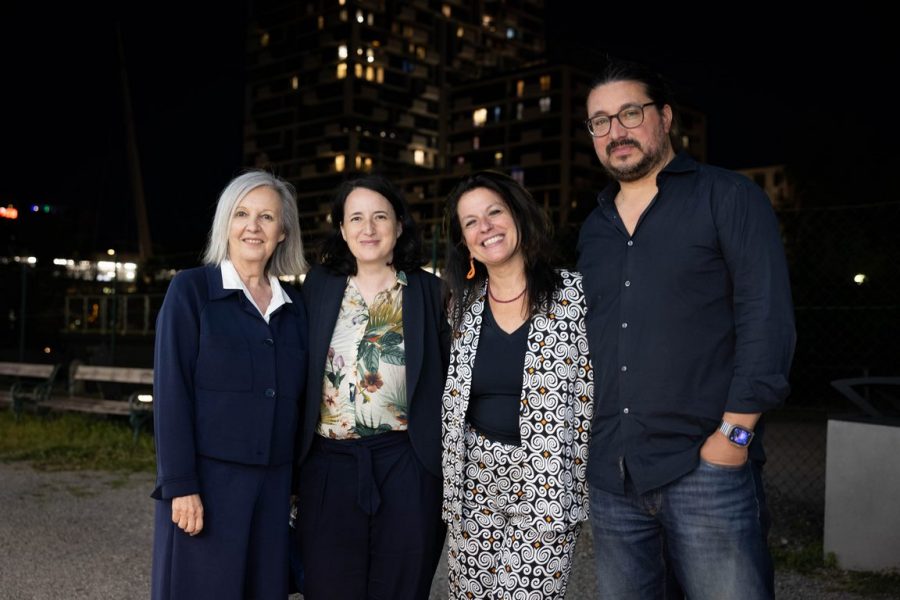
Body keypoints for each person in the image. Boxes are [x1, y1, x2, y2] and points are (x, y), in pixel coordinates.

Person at [577, 57, 796, 599]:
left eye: (630, 113)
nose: (615, 131)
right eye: (600, 121)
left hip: (707, 467)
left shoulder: (728, 197)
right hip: (613, 476)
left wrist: (735, 435)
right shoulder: (594, 228)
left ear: (665, 117)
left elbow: (767, 320)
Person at [150, 170, 309, 599]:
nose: (253, 227)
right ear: (226, 224)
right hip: (208, 484)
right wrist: (180, 485)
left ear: (283, 232)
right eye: (241, 214)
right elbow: (171, 395)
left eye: (266, 217)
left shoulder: (296, 309)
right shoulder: (191, 291)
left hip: (274, 490)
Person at [294, 174, 449, 600]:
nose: (368, 228)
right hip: (329, 464)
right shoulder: (319, 288)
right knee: (327, 587)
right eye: (356, 218)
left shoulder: (430, 292)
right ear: (341, 230)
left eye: (380, 216)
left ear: (399, 225)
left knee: (401, 588)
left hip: (407, 463)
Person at [441, 170, 593, 599]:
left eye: (494, 212)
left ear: (518, 217)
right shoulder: (461, 307)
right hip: (473, 481)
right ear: (464, 241)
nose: (484, 227)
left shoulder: (574, 295)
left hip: (547, 480)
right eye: (470, 222)